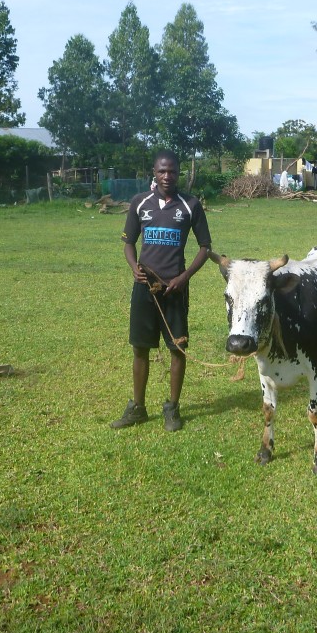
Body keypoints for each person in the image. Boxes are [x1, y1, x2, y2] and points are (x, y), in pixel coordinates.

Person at [113, 150, 211, 432]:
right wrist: (134, 266)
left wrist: (184, 277)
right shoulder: (139, 203)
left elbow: (205, 247)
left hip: (174, 290)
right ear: (154, 173)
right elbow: (129, 243)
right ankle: (138, 408)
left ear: (179, 173)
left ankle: (172, 408)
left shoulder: (190, 204)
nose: (167, 176)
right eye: (162, 172)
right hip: (144, 289)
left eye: (172, 172)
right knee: (140, 347)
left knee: (177, 348)